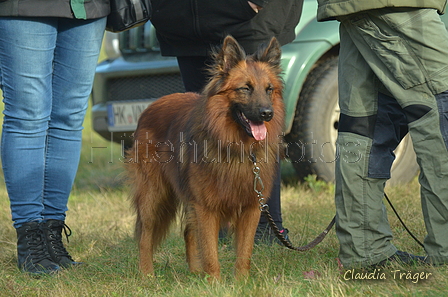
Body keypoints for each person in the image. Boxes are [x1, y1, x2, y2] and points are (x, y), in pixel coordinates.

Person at [149, 0, 304, 245]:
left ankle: (265, 230)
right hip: (183, 19)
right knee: (203, 131)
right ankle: (212, 228)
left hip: (250, 18)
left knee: (258, 137)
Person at [317, 0, 448, 268]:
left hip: (353, 6)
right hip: (399, 4)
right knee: (440, 105)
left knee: (365, 124)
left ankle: (364, 250)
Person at [0, 1, 110, 274]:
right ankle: (30, 242)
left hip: (87, 6)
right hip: (25, 6)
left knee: (70, 118)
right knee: (28, 115)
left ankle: (51, 237)